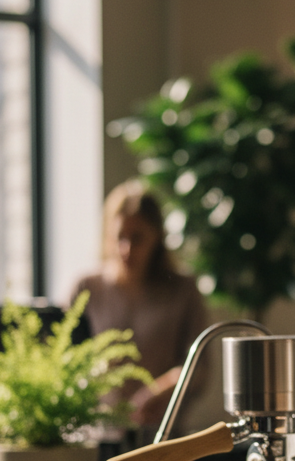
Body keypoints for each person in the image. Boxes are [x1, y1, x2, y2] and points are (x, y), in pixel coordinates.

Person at [72, 181, 209, 426]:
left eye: (137, 238)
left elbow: (199, 366)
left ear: (156, 236)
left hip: (162, 436)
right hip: (99, 436)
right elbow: (63, 360)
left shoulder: (181, 290)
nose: (127, 249)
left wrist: (161, 389)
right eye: (120, 237)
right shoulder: (87, 289)